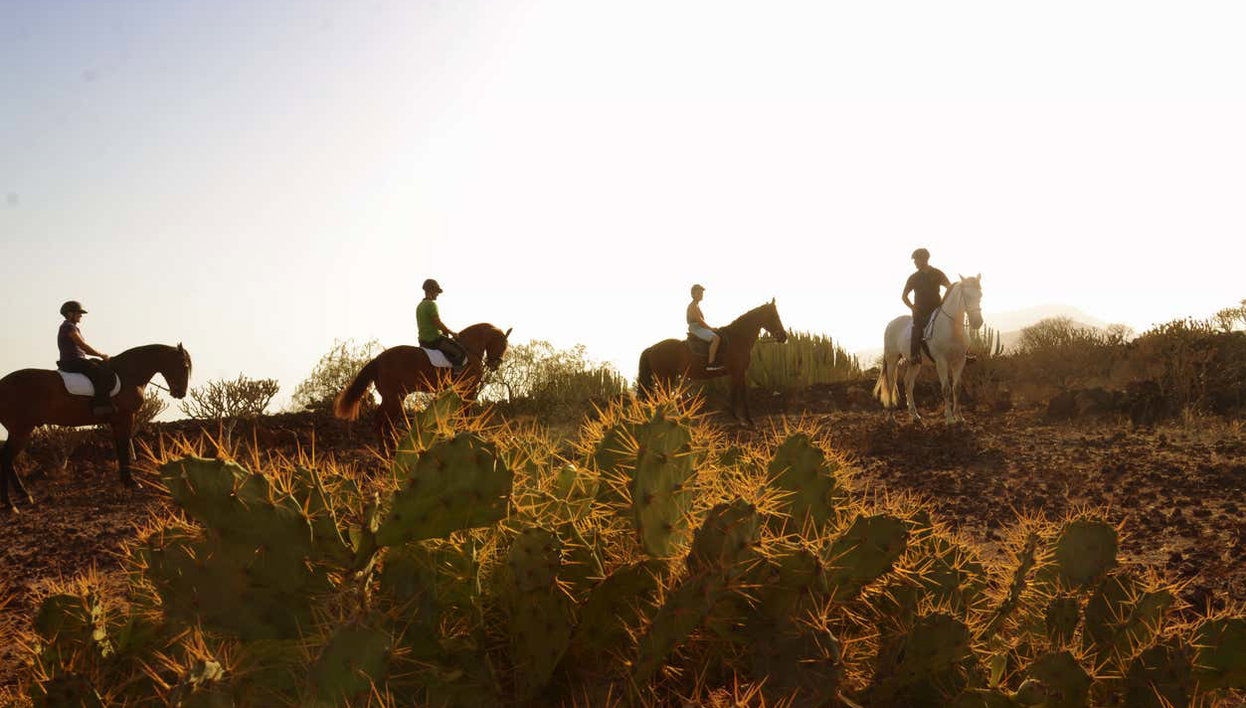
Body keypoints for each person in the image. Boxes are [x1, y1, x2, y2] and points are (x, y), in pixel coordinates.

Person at [57, 300, 116, 416]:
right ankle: (100, 405)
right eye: (78, 313)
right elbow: (83, 346)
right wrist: (101, 355)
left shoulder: (71, 327)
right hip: (73, 361)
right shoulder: (68, 327)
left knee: (99, 366)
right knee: (99, 373)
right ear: (70, 314)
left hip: (77, 360)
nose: (81, 315)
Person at [901, 248, 951, 366]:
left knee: (954, 325)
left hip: (937, 310)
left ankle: (963, 353)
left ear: (924, 259)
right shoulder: (914, 277)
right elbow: (904, 296)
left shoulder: (937, 273)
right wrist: (912, 307)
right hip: (920, 311)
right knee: (917, 328)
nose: (915, 263)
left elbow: (949, 287)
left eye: (916, 260)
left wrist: (943, 302)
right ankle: (914, 355)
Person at [416, 279, 466, 371]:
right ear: (431, 291)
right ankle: (456, 379)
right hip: (434, 340)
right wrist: (451, 333)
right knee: (460, 353)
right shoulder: (431, 305)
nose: (437, 294)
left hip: (423, 341)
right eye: (436, 292)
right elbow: (438, 323)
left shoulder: (420, 306)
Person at [687, 284, 724, 371]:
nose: (701, 294)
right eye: (698, 293)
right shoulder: (693, 306)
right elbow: (699, 321)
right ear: (693, 294)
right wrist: (711, 329)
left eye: (701, 293)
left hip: (698, 327)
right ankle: (711, 364)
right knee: (716, 338)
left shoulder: (696, 305)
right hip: (695, 328)